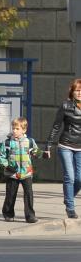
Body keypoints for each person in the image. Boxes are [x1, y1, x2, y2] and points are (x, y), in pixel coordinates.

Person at [0, 117, 47, 223]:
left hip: (26, 173)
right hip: (12, 174)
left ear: (24, 130)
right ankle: (8, 213)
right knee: (11, 195)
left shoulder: (29, 141)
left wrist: (43, 154)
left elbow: (35, 152)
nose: (14, 131)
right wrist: (7, 166)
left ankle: (30, 215)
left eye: (17, 129)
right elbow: (0, 157)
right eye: (13, 128)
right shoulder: (7, 143)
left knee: (29, 194)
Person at [48, 78, 81, 218]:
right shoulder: (65, 105)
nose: (80, 93)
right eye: (77, 90)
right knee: (70, 177)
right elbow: (56, 125)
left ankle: (68, 198)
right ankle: (70, 208)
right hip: (66, 145)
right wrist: (48, 145)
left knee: (79, 178)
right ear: (71, 92)